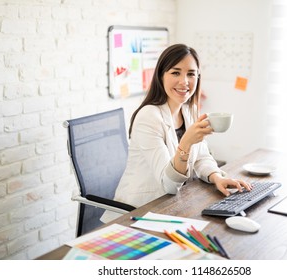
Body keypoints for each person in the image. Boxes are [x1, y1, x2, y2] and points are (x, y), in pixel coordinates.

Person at [104, 44, 252, 219]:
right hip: (138, 212)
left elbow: (201, 157)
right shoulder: (148, 117)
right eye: (175, 73)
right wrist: (186, 143)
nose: (184, 81)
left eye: (191, 74)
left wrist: (216, 177)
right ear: (161, 76)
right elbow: (169, 184)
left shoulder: (189, 109)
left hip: (174, 206)